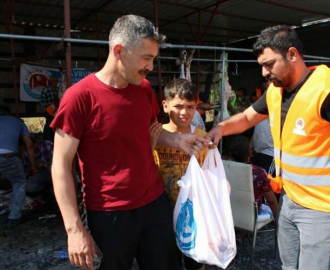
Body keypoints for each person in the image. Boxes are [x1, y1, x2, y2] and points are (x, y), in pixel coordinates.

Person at [206, 25, 330, 270]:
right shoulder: (276, 90)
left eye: (269, 64)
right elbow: (247, 118)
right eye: (262, 65)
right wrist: (219, 129)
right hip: (289, 201)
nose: (264, 73)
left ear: (292, 54)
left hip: (321, 209)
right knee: (286, 266)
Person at [50, 15, 207, 270]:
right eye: (146, 58)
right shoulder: (79, 98)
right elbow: (60, 166)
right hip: (109, 212)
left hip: (154, 204)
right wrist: (74, 229)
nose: (150, 66)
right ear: (119, 51)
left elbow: (149, 133)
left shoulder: (143, 89)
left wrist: (179, 139)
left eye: (153, 58)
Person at [153, 78, 208, 270]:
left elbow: (210, 174)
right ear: (165, 106)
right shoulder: (156, 135)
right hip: (162, 213)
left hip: (194, 214)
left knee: (196, 262)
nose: (184, 112)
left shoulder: (201, 137)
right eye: (178, 106)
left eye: (190, 107)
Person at [0, 105, 36, 228]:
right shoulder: (18, 122)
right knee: (19, 182)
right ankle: (14, 217)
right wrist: (33, 166)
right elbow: (29, 144)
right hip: (7, 157)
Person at [227, 135, 278, 217]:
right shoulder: (259, 172)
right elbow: (272, 201)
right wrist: (278, 219)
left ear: (230, 153)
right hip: (253, 216)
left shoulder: (225, 169)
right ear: (250, 153)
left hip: (231, 213)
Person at [40, 75, 59, 142]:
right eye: (54, 81)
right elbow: (42, 102)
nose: (56, 82)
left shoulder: (58, 89)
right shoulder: (45, 89)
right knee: (49, 125)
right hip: (49, 110)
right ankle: (47, 140)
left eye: (56, 81)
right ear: (50, 82)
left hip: (57, 111)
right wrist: (50, 106)